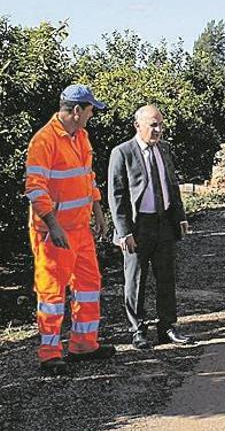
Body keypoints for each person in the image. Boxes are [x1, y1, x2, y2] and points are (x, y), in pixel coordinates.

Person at [24, 84, 116, 374]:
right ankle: (49, 355)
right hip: (54, 232)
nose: (92, 116)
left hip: (80, 229)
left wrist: (99, 211)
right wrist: (53, 224)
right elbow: (35, 188)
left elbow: (88, 177)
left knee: (89, 286)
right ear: (77, 111)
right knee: (52, 293)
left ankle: (83, 345)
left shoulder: (81, 137)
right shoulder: (44, 141)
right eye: (90, 110)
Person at [108, 105, 195, 350]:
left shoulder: (164, 149)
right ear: (138, 126)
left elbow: (171, 184)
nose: (158, 130)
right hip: (138, 226)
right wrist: (123, 231)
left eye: (160, 125)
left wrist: (180, 216)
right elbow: (116, 195)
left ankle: (167, 328)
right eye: (152, 125)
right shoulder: (122, 152)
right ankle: (137, 330)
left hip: (164, 221)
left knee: (166, 277)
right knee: (135, 279)